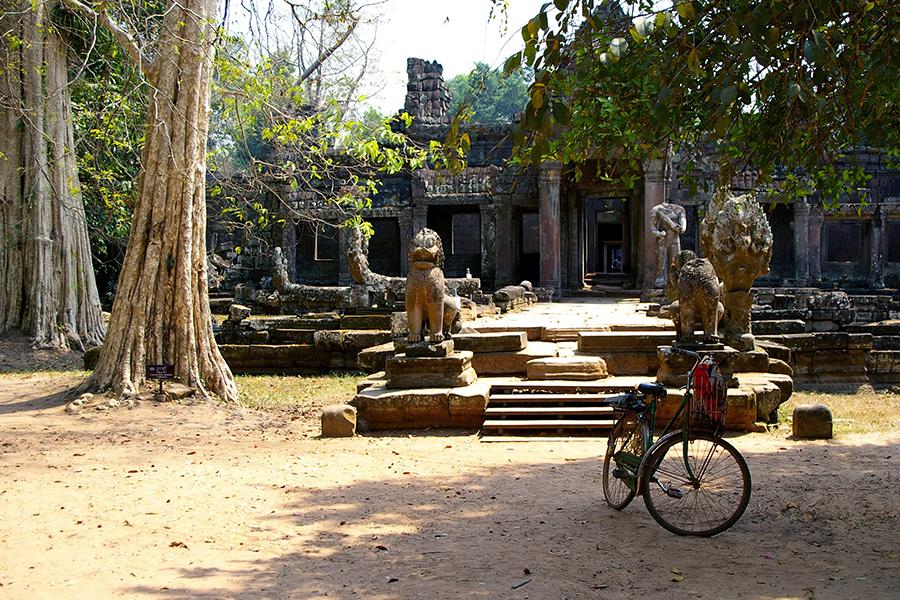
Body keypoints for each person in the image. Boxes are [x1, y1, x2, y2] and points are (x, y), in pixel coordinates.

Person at [650, 200, 687, 287]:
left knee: (676, 260)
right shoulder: (657, 209)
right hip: (663, 239)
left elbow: (683, 224)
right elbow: (651, 226)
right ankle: (660, 280)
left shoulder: (679, 209)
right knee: (661, 261)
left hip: (675, 238)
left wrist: (682, 228)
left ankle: (675, 280)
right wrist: (659, 233)